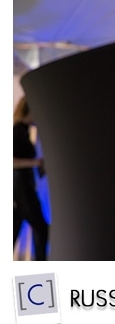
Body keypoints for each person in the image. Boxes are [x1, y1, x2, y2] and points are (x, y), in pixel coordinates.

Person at [14, 97, 50, 261]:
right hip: (21, 188)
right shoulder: (17, 131)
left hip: (22, 187)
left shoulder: (23, 131)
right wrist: (36, 162)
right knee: (40, 228)